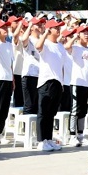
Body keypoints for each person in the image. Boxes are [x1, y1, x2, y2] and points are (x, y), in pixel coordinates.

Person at [34, 18, 66, 152]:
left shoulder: (60, 46)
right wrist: (45, 33)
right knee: (43, 112)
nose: (58, 30)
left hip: (58, 82)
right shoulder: (45, 43)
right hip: (47, 81)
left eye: (59, 28)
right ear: (49, 29)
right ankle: (41, 141)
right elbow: (37, 46)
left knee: (51, 113)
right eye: (56, 28)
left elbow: (62, 66)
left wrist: (63, 83)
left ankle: (48, 138)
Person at [64, 25, 88, 147]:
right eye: (84, 32)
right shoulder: (75, 48)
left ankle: (80, 134)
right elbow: (66, 47)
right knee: (75, 110)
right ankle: (72, 135)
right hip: (77, 82)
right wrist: (75, 36)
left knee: (83, 111)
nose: (86, 34)